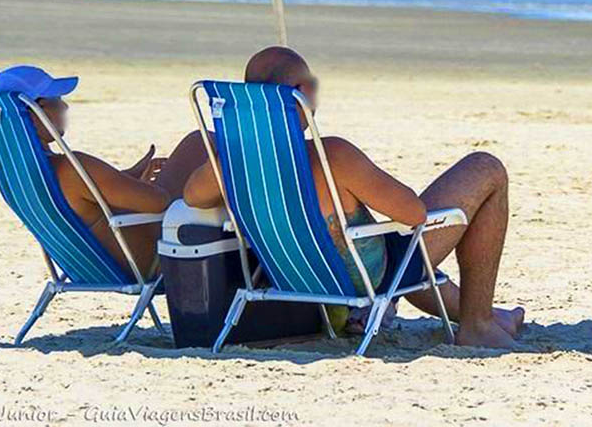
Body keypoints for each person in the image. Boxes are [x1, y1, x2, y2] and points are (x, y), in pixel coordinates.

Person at [181, 47, 524, 349]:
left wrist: (230, 153)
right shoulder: (334, 156)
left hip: (298, 277)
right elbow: (414, 215)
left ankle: (494, 316)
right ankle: (477, 325)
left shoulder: (231, 164)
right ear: (301, 93)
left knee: (405, 257)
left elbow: (192, 196)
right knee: (485, 169)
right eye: (312, 84)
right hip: (365, 280)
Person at [0, 65, 204, 277]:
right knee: (199, 144)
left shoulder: (17, 173)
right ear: (31, 114)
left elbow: (85, 199)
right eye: (54, 101)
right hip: (148, 260)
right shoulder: (72, 168)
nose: (64, 107)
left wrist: (128, 176)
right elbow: (159, 202)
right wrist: (144, 186)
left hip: (88, 265)